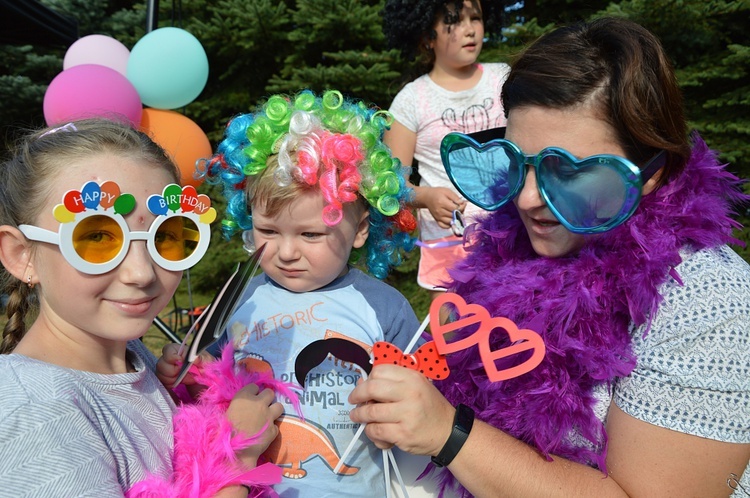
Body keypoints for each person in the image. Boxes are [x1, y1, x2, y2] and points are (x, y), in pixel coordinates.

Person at [349, 17, 750, 497]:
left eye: (571, 172)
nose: (527, 199)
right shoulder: (509, 245)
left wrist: (449, 434)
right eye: (519, 162)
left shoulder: (708, 299)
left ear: (650, 174)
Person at [157, 90, 423, 497]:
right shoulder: (240, 300)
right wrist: (187, 376)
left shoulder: (384, 307)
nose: (285, 252)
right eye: (267, 231)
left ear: (362, 229)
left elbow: (421, 402)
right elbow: (213, 392)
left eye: (311, 234)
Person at [0, 118, 283, 497]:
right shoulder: (37, 410)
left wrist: (195, 397)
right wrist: (235, 456)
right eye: (97, 237)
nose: (141, 272)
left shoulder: (131, 356)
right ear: (22, 256)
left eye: (166, 236)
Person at [382, 0, 509, 303]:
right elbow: (390, 184)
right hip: (448, 246)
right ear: (427, 36)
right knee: (454, 339)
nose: (470, 30)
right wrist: (425, 198)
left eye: (476, 18)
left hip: (511, 234)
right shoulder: (411, 100)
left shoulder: (504, 78)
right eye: (454, 21)